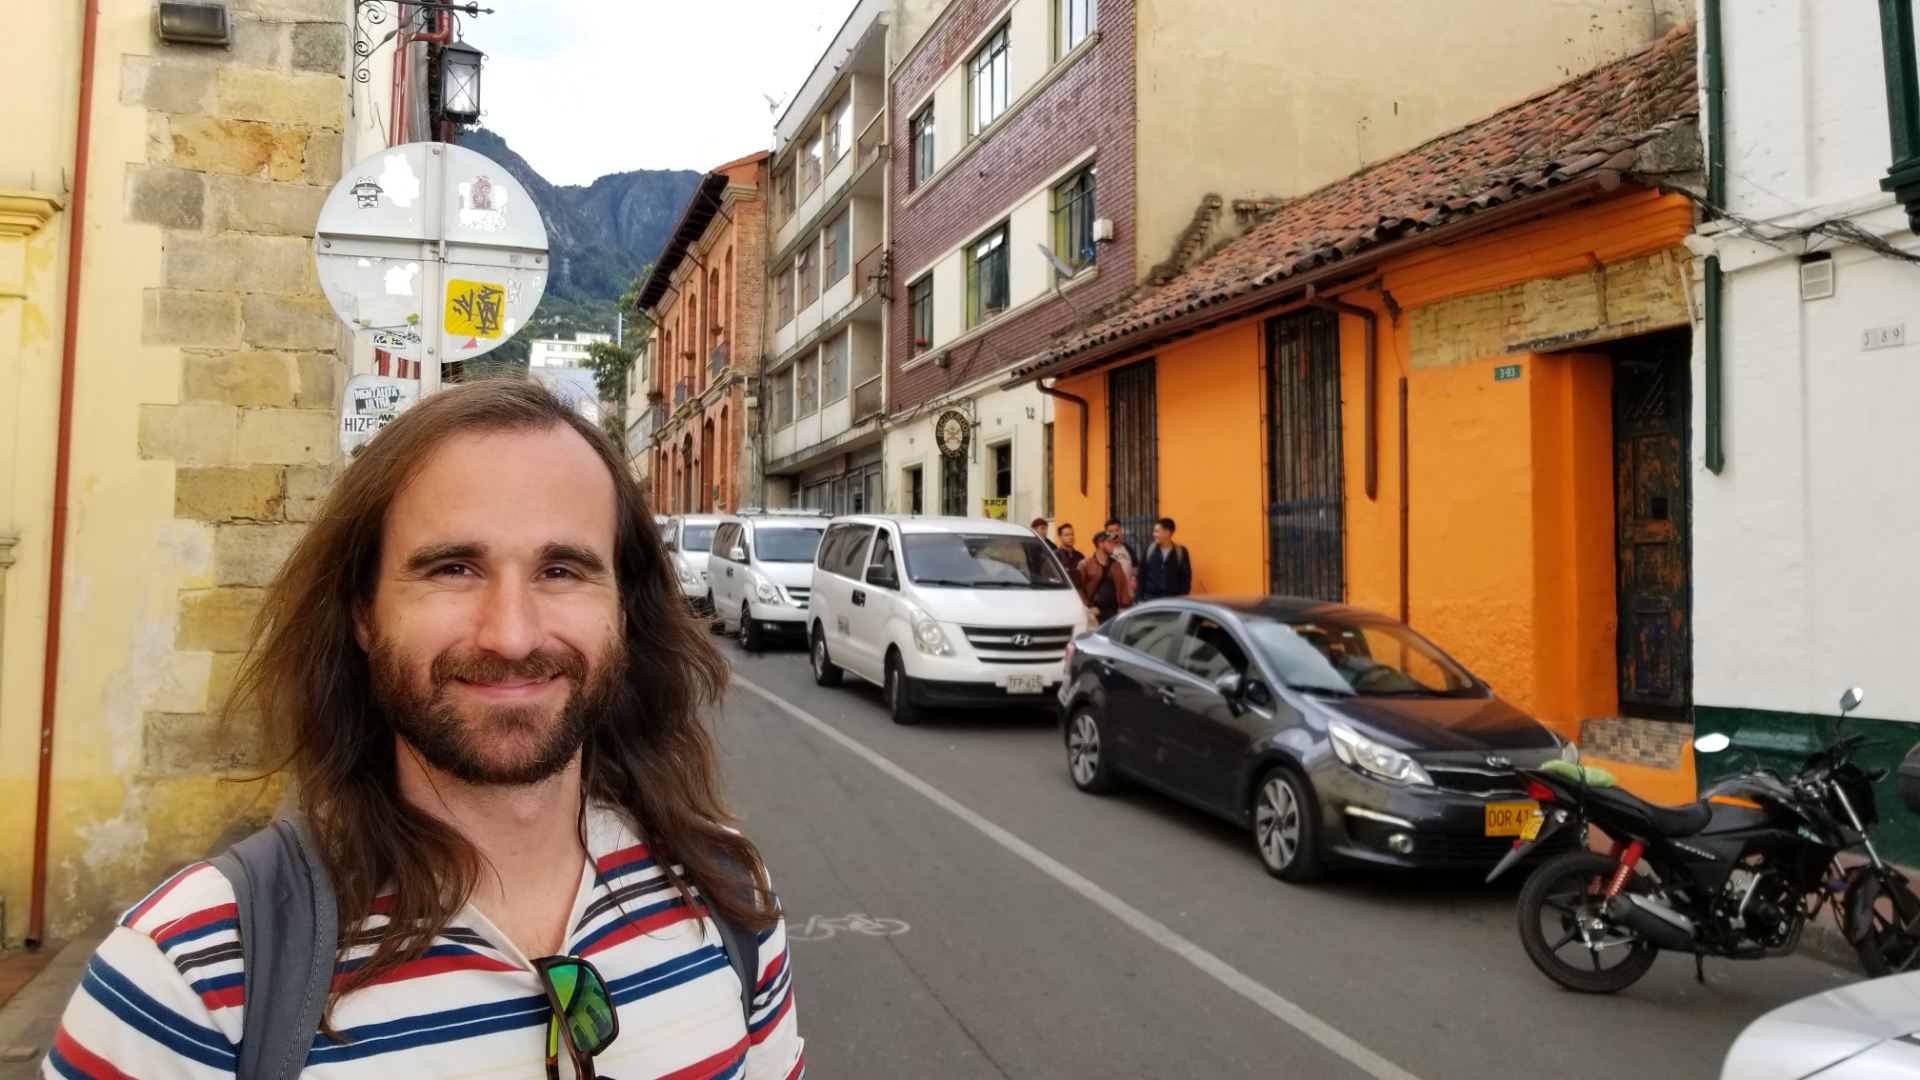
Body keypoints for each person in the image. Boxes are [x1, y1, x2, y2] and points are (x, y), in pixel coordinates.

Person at [48, 381, 804, 1078]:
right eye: (452, 569)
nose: (511, 635)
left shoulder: (726, 893)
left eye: (562, 571)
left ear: (625, 611)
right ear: (363, 615)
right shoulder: (189, 977)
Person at [1076, 531, 1134, 625]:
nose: (1113, 545)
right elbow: (1079, 588)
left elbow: (1123, 586)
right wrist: (1088, 608)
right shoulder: (1085, 565)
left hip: (1114, 611)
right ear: (1100, 544)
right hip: (1095, 612)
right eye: (1109, 542)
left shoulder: (1116, 565)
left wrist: (1124, 606)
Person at [1136, 516, 1193, 602]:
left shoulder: (1181, 552)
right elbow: (1140, 575)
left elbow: (1186, 578)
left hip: (1173, 601)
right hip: (1150, 600)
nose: (1154, 534)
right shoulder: (1148, 549)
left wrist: (1182, 598)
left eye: (1157, 531)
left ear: (1167, 533)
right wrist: (1140, 599)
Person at [1102, 517, 1138, 582]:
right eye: (1111, 531)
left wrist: (1134, 578)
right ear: (1106, 534)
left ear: (1121, 531)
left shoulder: (1128, 549)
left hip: (1128, 590)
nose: (1115, 533)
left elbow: (1135, 567)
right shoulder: (1104, 551)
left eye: (1117, 530)